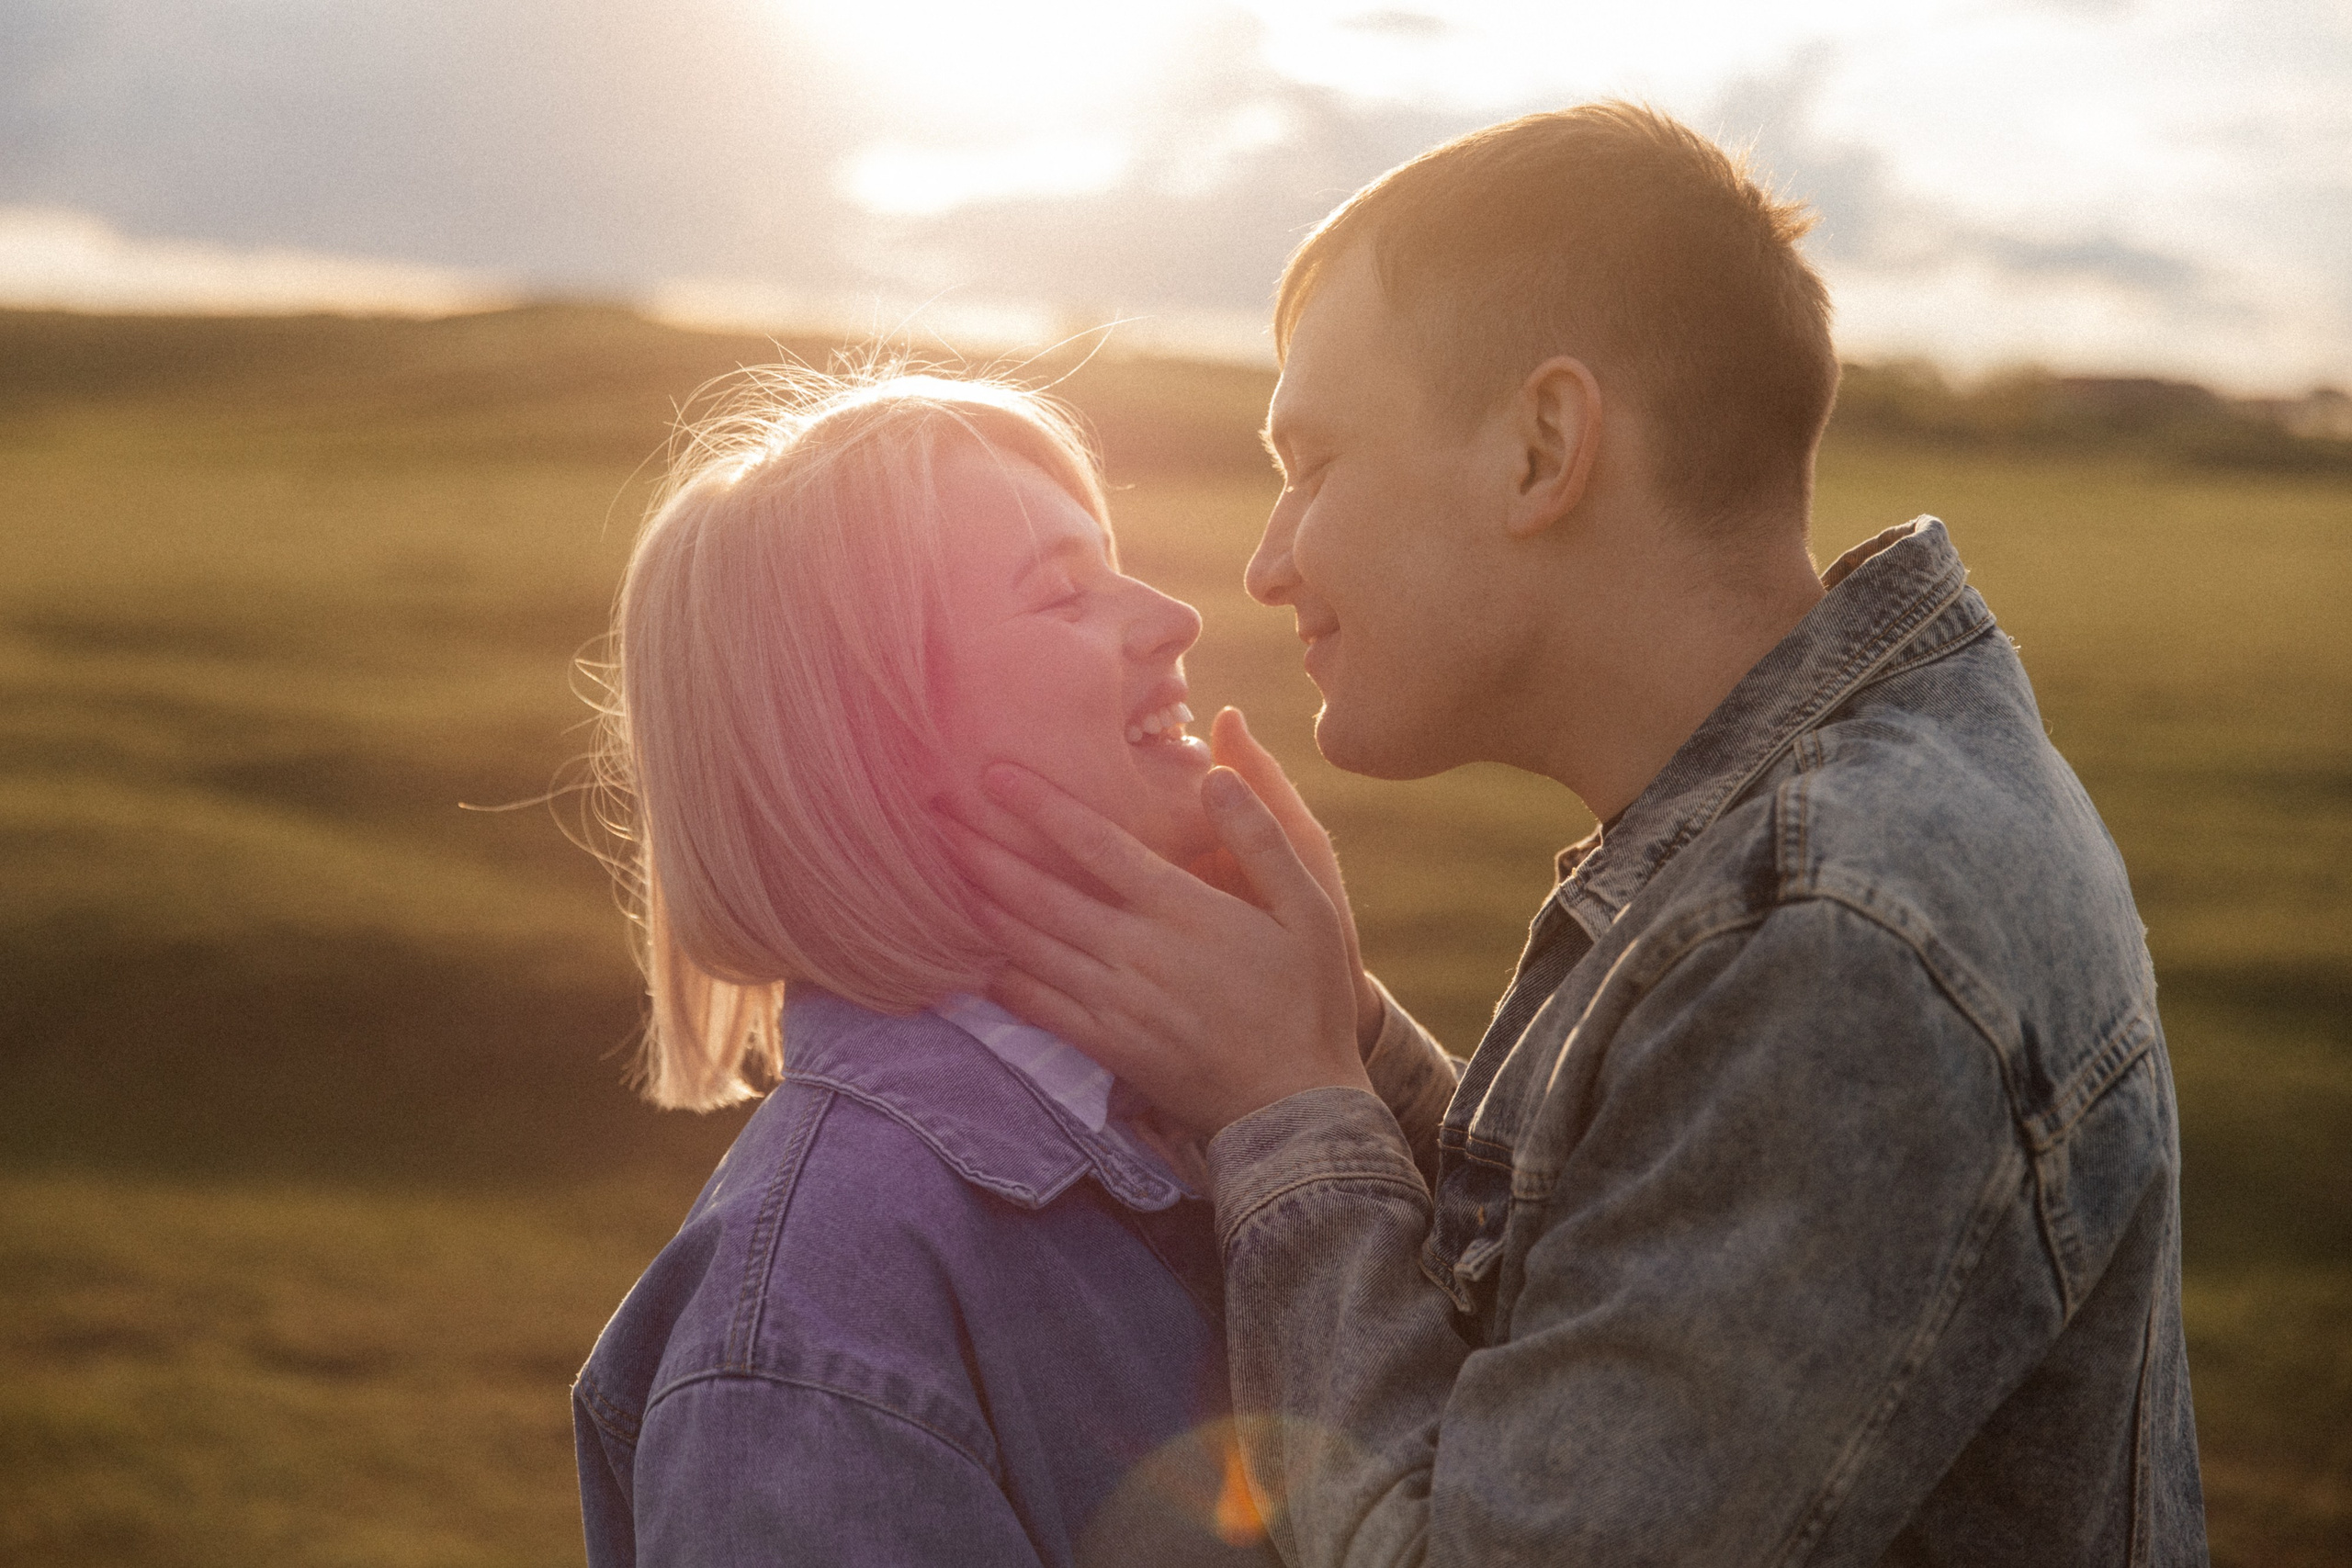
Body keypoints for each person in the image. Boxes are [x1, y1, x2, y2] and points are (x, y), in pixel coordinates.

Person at [953, 104, 2209, 1564]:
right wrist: (1332, 1034)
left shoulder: (1834, 931)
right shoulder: (1814, 838)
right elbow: (1603, 1285)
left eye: (1312, 462)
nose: (1267, 560)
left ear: (1544, 447)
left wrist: (1281, 1114)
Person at [567, 370, 1453, 1566]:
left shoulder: (1202, 1106)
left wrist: (1339, 1041)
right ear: (879, 742)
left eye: (1117, 561)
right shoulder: (805, 1336)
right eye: (1064, 593)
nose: (1173, 617)